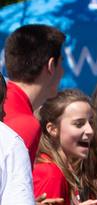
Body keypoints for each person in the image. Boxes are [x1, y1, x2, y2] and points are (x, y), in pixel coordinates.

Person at [3, 24, 64, 156]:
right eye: (61, 63)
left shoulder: (8, 106)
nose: (63, 72)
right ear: (51, 65)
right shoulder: (25, 124)